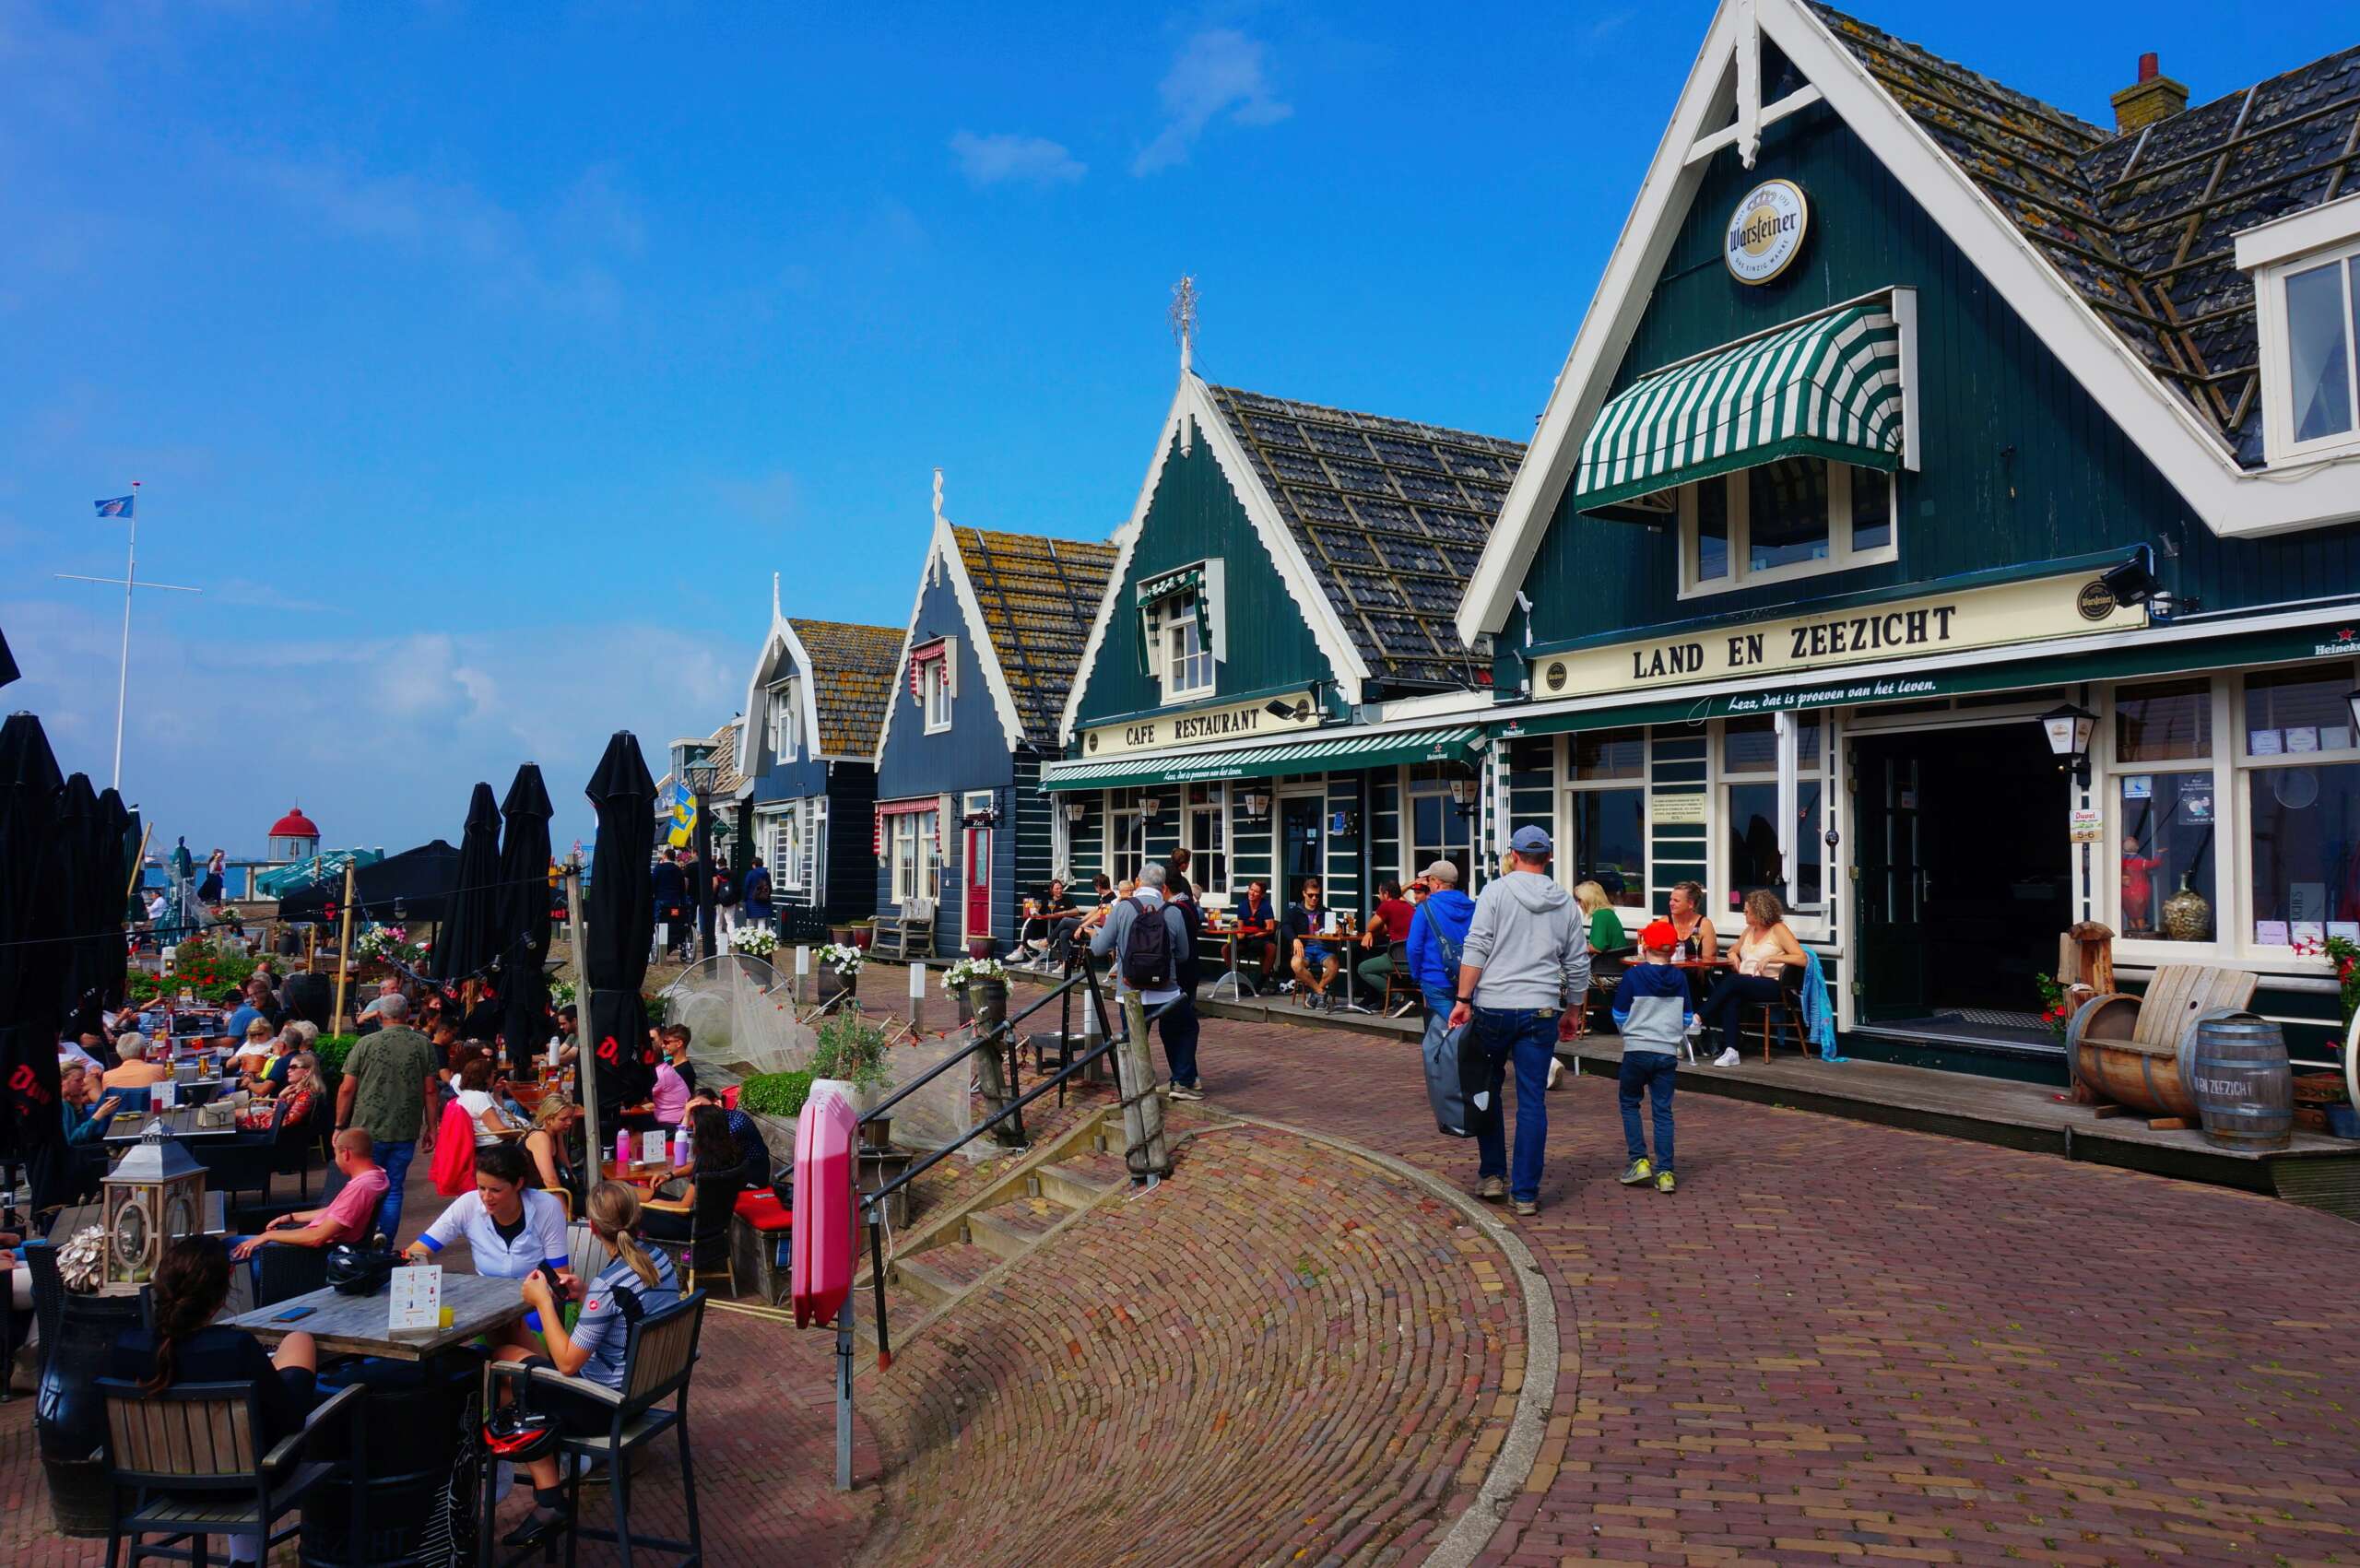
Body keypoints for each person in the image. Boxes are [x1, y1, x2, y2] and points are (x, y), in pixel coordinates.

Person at [491, 1181, 681, 1550]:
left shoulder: (609, 1285)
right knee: (513, 1331)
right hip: (639, 1394)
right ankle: (552, 1461)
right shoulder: (657, 1258)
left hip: (604, 1406)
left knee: (502, 1361)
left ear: (592, 1227)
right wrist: (586, 1294)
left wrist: (544, 1302)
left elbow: (566, 1363)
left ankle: (548, 1497)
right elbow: (629, 1305)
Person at [109, 1237, 321, 1566]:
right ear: (222, 1296)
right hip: (246, 1484)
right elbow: (289, 1421)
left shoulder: (127, 1347)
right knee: (299, 1341)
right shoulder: (235, 1347)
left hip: (163, 1484)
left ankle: (244, 1559)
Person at [1445, 826, 1589, 1217]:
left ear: (1513, 855)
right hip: (1541, 1007)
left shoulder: (1495, 892)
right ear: (1549, 857)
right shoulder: (1564, 902)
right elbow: (1577, 961)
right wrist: (1574, 1009)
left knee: (1488, 1089)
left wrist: (1463, 999)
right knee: (1532, 1101)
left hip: (1494, 1004)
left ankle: (1493, 1174)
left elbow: (1477, 946)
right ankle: (1525, 1193)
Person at [404, 1143, 573, 1333]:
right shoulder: (468, 1204)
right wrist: (423, 1286)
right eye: (481, 1188)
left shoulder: (546, 1206)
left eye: (495, 1190)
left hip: (537, 1306)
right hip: (486, 1308)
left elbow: (559, 1278)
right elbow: (414, 1253)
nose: (486, 1197)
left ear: (518, 1184)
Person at [1089, 863, 1202, 1100]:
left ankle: (1134, 1088)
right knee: (1184, 1029)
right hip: (1166, 990)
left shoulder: (1122, 908)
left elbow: (1099, 949)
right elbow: (1183, 954)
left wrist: (1093, 934)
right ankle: (1183, 1080)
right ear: (1163, 887)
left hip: (1129, 989)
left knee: (1132, 1039)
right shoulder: (1173, 912)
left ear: (1138, 882)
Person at [334, 993, 440, 1242]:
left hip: (366, 1130)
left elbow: (346, 1088)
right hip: (405, 1128)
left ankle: (359, 1239)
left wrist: (339, 1125)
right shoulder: (423, 1044)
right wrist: (432, 1127)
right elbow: (430, 1090)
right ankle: (384, 1241)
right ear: (408, 1015)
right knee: (393, 1188)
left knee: (361, 1185)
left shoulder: (366, 1044)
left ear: (380, 1015)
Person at [1611, 919, 1693, 1194]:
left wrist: (1628, 1032)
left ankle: (1639, 1161)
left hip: (1637, 1048)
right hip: (1666, 1051)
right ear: (1673, 949)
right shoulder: (1680, 978)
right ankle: (1666, 1172)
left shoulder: (1633, 976)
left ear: (1644, 946)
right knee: (1663, 1111)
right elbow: (1687, 1017)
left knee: (1629, 1103)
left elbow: (1619, 1013)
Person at [229, 1130, 390, 1266]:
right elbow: (336, 1212)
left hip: (302, 1257)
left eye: (335, 1154)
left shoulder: (360, 1188)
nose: (336, 1160)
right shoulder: (377, 1176)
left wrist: (267, 1236)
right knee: (230, 1244)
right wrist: (292, 1217)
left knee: (228, 1251)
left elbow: (316, 1238)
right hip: (304, 1248)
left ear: (345, 1153)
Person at [1693, 890, 1807, 1068]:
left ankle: (1698, 1018)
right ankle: (1731, 1051)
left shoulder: (1778, 929)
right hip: (1748, 983)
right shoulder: (1750, 930)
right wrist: (1732, 955)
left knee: (1733, 981)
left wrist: (1772, 958)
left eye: (1747, 911)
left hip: (1774, 985)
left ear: (1759, 911)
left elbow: (1802, 958)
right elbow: (1733, 949)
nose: (1744, 914)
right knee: (1731, 997)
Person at [640, 1102, 746, 1242]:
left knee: (630, 1208)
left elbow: (683, 1207)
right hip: (711, 1223)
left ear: (702, 1131)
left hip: (691, 1225)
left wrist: (655, 1204)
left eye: (694, 1126)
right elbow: (694, 1166)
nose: (692, 1130)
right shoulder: (732, 1153)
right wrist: (670, 1175)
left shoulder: (706, 1161)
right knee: (637, 1194)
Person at [1406, 857, 1477, 1037]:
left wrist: (1416, 974)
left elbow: (1414, 947)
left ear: (1436, 883)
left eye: (1429, 880)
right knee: (1466, 1032)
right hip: (1468, 978)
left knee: (1444, 1033)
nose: (1428, 885)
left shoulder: (1425, 909)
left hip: (1435, 977)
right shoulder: (1473, 907)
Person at [685, 1090, 773, 1188]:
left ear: (717, 1103)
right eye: (695, 1111)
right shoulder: (707, 1122)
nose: (700, 1113)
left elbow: (708, 1154)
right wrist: (687, 1114)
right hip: (729, 1169)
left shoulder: (737, 1123)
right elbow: (683, 1144)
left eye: (703, 1108)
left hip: (751, 1173)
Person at [1355, 880, 1416, 1003]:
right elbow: (1386, 928)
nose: (1379, 896)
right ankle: (1393, 999)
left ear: (1386, 894)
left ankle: (1399, 999)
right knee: (1380, 968)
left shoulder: (1387, 905)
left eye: (1379, 893)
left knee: (1363, 968)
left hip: (1399, 958)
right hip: (1415, 958)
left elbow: (1370, 926)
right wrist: (1371, 933)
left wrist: (1369, 932)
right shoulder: (1409, 906)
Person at [524, 1094, 587, 1210]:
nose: (569, 1122)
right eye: (563, 1119)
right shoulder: (540, 1138)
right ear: (548, 1119)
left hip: (553, 1192)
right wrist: (564, 1212)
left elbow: (565, 1165)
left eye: (570, 1118)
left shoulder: (556, 1133)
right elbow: (550, 1181)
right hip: (536, 1197)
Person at [1288, 878, 1343, 1009]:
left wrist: (1339, 927)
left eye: (1317, 895)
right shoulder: (1295, 912)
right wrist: (1294, 939)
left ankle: (1315, 994)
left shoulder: (1325, 911)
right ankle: (1321, 992)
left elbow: (1337, 924)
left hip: (1324, 950)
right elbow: (1285, 926)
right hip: (1305, 949)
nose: (1314, 898)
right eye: (1311, 895)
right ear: (1304, 893)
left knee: (1334, 965)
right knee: (1295, 964)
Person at [239, 1051, 322, 1133]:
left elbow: (283, 1123)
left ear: (307, 1072)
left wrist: (281, 1097)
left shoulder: (306, 1095)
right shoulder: (296, 1091)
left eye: (293, 1067)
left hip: (266, 1134)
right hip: (263, 1128)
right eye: (288, 1067)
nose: (288, 1070)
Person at [452, 1054, 510, 1146]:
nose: (494, 1077)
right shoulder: (480, 1097)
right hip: (495, 1145)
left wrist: (497, 1093)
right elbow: (500, 1131)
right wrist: (522, 1133)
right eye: (493, 1074)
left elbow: (499, 1113)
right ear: (486, 1078)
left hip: (491, 1143)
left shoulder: (467, 1094)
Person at [652, 847, 690, 961]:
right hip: (675, 901)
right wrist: (683, 902)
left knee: (659, 921)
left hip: (661, 900)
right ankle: (674, 941)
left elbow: (653, 884)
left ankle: (660, 944)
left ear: (665, 856)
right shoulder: (678, 870)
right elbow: (682, 888)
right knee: (675, 921)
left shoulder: (659, 868)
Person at [1666, 880, 1717, 963]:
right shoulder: (1664, 922)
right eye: (1671, 899)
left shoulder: (1704, 924)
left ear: (1690, 904)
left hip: (1695, 970)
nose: (1671, 903)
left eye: (1676, 900)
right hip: (1669, 970)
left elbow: (1708, 963)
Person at [652, 1027, 694, 1127]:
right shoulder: (669, 1064)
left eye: (667, 1042)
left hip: (675, 1123)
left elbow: (683, 1101)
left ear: (679, 1043)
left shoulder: (685, 1071)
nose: (663, 1045)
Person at [101, 1032, 171, 1091]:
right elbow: (167, 1096)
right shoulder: (158, 1070)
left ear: (119, 1053)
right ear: (143, 1051)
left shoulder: (107, 1077)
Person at [740, 855, 773, 928]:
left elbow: (746, 887)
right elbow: (770, 887)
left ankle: (750, 935)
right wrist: (766, 896)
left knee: (750, 921)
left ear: (754, 864)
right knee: (762, 921)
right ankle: (761, 935)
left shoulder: (750, 873)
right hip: (764, 900)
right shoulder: (767, 874)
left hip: (752, 900)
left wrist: (744, 898)